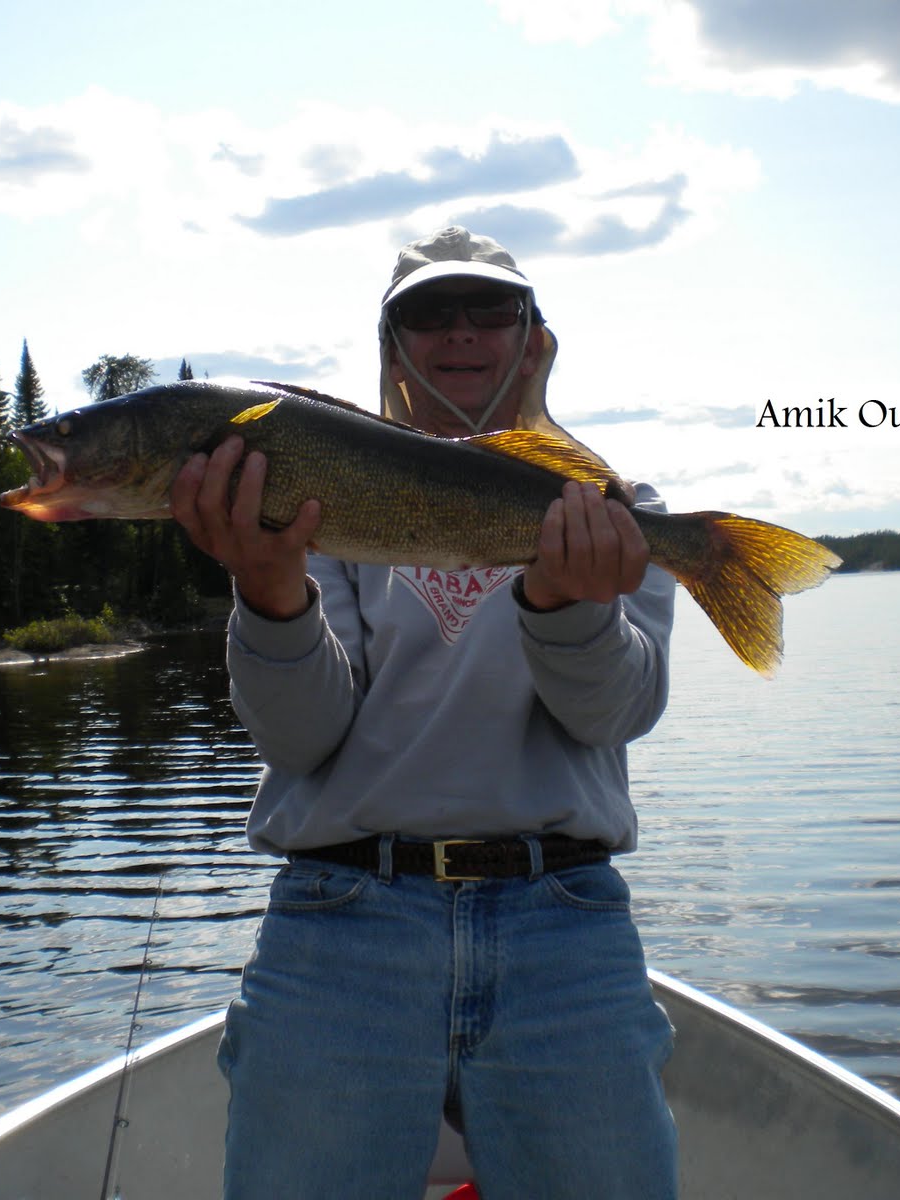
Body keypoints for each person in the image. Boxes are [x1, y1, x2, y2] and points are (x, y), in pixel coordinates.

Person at [170, 227, 679, 1199]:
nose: (460, 331)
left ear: (532, 342)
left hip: (563, 926)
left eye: (490, 309)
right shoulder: (321, 506)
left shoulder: (613, 508)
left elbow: (613, 715)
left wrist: (568, 606)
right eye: (428, 313)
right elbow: (301, 738)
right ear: (392, 347)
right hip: (342, 922)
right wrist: (271, 591)